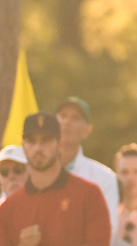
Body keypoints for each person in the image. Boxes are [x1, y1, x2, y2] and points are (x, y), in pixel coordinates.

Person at [51, 97, 123, 231]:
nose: (67, 122)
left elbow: (107, 231)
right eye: (63, 115)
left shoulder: (104, 178)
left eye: (75, 117)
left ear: (87, 131)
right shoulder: (27, 170)